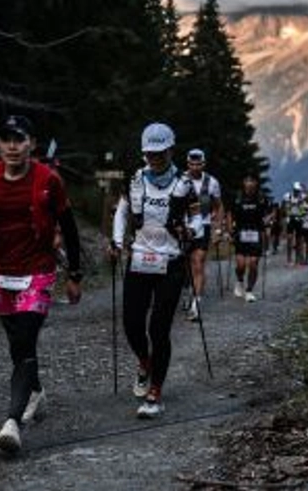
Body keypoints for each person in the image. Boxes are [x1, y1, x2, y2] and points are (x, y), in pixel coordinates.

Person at [0, 114, 83, 454]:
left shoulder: (49, 180)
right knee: (16, 344)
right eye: (5, 139)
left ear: (31, 145)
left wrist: (75, 275)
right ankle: (35, 392)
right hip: (0, 271)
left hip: (38, 270)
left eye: (19, 139)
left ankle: (12, 421)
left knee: (25, 338)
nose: (12, 145)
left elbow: (69, 227)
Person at [123, 122, 191, 418]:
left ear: (170, 150)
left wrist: (191, 230)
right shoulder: (137, 179)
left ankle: (155, 392)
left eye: (160, 154)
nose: (154, 159)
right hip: (139, 259)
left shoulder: (184, 183)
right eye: (150, 154)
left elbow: (199, 219)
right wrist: (115, 241)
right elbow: (122, 211)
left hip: (171, 262)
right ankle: (144, 362)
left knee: (158, 328)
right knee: (131, 323)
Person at [180, 148, 222, 322]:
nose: (195, 167)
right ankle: (186, 289)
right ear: (188, 164)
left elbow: (219, 206)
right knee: (184, 265)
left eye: (198, 164)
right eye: (192, 164)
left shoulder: (211, 182)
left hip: (202, 226)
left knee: (198, 263)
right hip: (182, 226)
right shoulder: (179, 180)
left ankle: (196, 306)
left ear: (203, 164)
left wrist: (218, 229)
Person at [227, 173, 269, 302]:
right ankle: (239, 282)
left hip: (256, 232)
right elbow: (230, 214)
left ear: (256, 184)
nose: (249, 183)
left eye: (252, 181)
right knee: (240, 265)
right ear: (243, 183)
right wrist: (229, 230)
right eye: (247, 180)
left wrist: (268, 223)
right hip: (240, 232)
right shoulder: (238, 198)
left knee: (253, 264)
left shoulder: (261, 198)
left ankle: (249, 290)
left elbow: (268, 214)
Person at [283, 182, 308, 265]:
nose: (297, 192)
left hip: (299, 219)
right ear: (293, 190)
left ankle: (297, 259)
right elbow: (284, 206)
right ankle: (289, 259)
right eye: (296, 190)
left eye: (298, 191)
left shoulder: (303, 197)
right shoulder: (288, 196)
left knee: (299, 240)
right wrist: (286, 216)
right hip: (291, 219)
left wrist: (304, 215)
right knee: (289, 239)